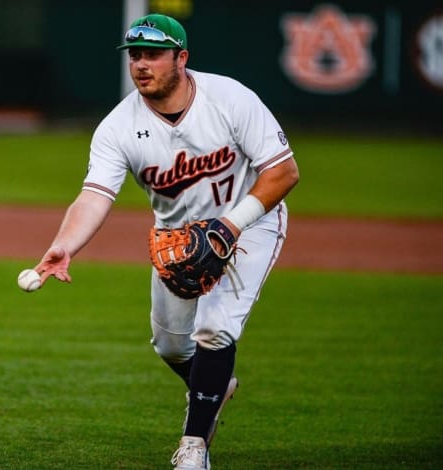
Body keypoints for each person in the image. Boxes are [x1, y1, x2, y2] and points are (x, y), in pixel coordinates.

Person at [32, 13, 299, 470]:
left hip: (251, 221)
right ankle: (215, 384)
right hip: (177, 240)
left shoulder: (230, 98)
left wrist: (230, 225)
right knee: (173, 347)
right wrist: (65, 244)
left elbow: (283, 172)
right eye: (135, 54)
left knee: (215, 330)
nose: (141, 64)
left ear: (182, 57)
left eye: (153, 54)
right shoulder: (117, 128)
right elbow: (94, 196)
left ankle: (194, 447)